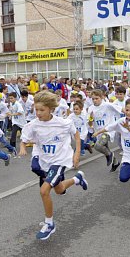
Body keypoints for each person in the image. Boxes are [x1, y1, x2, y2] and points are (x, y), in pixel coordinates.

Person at [19, 90, 88, 240]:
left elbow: (76, 135)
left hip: (60, 161)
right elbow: (24, 139)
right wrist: (23, 147)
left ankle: (49, 224)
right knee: (59, 189)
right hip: (46, 162)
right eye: (36, 109)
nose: (38, 113)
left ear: (51, 109)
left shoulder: (63, 123)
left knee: (44, 191)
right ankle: (77, 179)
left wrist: (77, 154)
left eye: (41, 110)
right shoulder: (33, 125)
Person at [94, 98, 130, 208]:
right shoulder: (121, 121)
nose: (129, 113)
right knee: (123, 178)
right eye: (127, 110)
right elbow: (110, 127)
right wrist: (98, 132)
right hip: (128, 156)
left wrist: (128, 128)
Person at [88, 89, 123, 172]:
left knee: (98, 146)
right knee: (105, 149)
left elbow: (121, 109)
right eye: (93, 99)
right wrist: (91, 117)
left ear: (102, 97)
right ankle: (115, 162)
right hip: (98, 132)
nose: (95, 100)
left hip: (108, 130)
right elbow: (90, 124)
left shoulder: (107, 105)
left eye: (97, 98)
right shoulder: (91, 108)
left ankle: (110, 155)